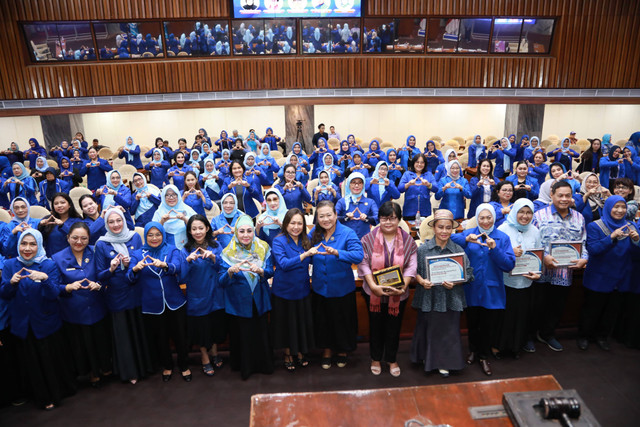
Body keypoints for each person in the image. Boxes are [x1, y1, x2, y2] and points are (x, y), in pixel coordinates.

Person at [0, 229, 76, 410]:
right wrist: (11, 283)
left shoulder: (48, 265)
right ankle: (42, 398)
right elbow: (4, 294)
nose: (27, 248)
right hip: (22, 324)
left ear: (39, 245)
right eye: (24, 244)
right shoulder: (10, 264)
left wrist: (46, 280)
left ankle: (57, 394)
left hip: (46, 321)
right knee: (32, 364)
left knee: (50, 361)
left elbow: (54, 294)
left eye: (32, 244)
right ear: (18, 245)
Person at [451, 204, 516, 376]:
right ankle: (473, 350)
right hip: (471, 288)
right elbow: (449, 239)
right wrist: (466, 239)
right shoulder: (469, 232)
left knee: (488, 325)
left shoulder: (502, 237)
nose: (485, 221)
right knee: (472, 323)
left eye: (489, 217)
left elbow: (509, 264)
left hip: (492, 290)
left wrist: (495, 249)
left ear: (494, 218)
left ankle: (484, 356)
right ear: (477, 218)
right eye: (482, 217)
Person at [358, 202, 417, 377]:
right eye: (384, 218)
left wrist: (404, 286)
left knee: (394, 327)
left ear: (399, 219)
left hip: (399, 293)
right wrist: (374, 286)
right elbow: (363, 264)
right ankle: (375, 358)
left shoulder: (408, 240)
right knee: (375, 326)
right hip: (373, 292)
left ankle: (391, 359)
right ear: (379, 219)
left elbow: (412, 267)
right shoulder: (367, 239)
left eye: (392, 218)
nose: (388, 222)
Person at [411, 209, 473, 378]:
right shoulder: (423, 249)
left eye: (448, 228)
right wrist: (422, 281)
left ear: (452, 229)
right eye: (440, 227)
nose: (444, 231)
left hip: (451, 297)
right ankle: (427, 359)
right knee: (429, 329)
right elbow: (412, 271)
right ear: (434, 228)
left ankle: (445, 363)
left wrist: (456, 282)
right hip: (429, 297)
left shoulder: (458, 249)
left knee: (448, 331)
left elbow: (468, 273)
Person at [128, 222, 191, 382]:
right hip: (152, 304)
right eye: (150, 235)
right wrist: (135, 269)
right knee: (161, 338)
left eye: (158, 234)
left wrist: (165, 265)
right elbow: (129, 277)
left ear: (163, 235)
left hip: (175, 301)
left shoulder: (171, 249)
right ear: (146, 236)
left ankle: (184, 365)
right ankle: (168, 366)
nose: (154, 238)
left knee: (180, 336)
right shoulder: (137, 253)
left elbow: (177, 267)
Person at [95, 208, 151, 384]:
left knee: (139, 329)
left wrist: (131, 264)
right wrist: (111, 268)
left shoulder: (134, 237)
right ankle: (130, 372)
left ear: (124, 220)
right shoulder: (101, 244)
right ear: (106, 224)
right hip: (116, 294)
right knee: (124, 334)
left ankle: (146, 367)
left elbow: (143, 261)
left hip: (136, 290)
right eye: (111, 222)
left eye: (118, 220)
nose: (116, 225)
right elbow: (99, 275)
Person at [52, 222, 111, 388]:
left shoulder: (96, 251)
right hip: (74, 310)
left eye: (84, 238)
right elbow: (53, 287)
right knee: (83, 344)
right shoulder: (57, 258)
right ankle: (91, 372)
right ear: (68, 238)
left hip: (97, 306)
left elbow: (105, 276)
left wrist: (99, 284)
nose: (79, 241)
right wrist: (68, 287)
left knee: (101, 340)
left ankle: (105, 367)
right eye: (75, 238)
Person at [578, 196, 640, 351]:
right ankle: (584, 336)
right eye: (616, 207)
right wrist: (611, 237)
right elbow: (593, 250)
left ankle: (602, 336)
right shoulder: (595, 226)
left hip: (620, 277)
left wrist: (636, 241)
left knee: (611, 310)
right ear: (608, 207)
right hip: (599, 276)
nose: (620, 210)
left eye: (623, 207)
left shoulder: (631, 225)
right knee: (592, 309)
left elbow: (636, 256)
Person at [532, 180, 588, 352]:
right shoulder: (539, 215)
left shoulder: (579, 217)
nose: (564, 199)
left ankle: (547, 334)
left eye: (568, 196)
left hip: (564, 273)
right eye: (560, 195)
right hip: (541, 272)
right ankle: (528, 336)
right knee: (536, 306)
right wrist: (544, 257)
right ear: (552, 195)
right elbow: (532, 242)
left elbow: (584, 243)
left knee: (556, 306)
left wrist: (584, 259)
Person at [218, 215, 274, 380]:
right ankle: (245, 368)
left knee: (260, 334)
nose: (245, 235)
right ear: (235, 232)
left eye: (249, 230)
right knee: (243, 336)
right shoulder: (228, 252)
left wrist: (261, 271)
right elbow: (221, 282)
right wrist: (229, 272)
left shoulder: (263, 247)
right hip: (238, 302)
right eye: (241, 231)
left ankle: (264, 366)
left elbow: (271, 271)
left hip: (259, 299)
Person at [309, 201, 364, 369]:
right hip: (320, 287)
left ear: (335, 215)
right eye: (321, 216)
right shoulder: (314, 233)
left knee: (342, 321)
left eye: (329, 215)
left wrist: (338, 252)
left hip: (341, 287)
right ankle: (326, 350)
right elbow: (304, 252)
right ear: (317, 218)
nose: (326, 219)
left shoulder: (347, 232)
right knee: (323, 320)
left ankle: (342, 350)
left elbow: (358, 255)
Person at [271, 209, 316, 372]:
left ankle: (300, 351)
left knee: (300, 323)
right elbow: (283, 264)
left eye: (299, 223)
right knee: (286, 325)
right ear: (286, 224)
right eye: (292, 223)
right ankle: (288, 353)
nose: (296, 227)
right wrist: (304, 255)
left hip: (302, 289)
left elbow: (314, 258)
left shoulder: (306, 239)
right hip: (284, 291)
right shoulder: (279, 241)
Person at [496, 199, 542, 357]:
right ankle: (502, 347)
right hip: (506, 282)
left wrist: (539, 272)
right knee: (505, 317)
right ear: (514, 211)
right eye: (521, 212)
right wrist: (509, 252)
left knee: (521, 317)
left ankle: (516, 347)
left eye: (529, 212)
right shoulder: (503, 229)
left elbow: (539, 255)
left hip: (527, 282)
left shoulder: (535, 230)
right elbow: (495, 256)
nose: (525, 216)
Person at [180, 215, 225, 376]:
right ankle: (205, 357)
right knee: (201, 329)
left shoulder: (216, 245)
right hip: (197, 296)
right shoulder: (185, 250)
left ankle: (214, 353)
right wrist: (187, 261)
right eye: (194, 229)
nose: (198, 232)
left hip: (216, 294)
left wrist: (214, 257)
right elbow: (181, 278)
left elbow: (224, 268)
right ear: (189, 231)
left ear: (207, 228)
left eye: (201, 228)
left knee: (213, 326)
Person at [336, 172, 378, 240]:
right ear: (349, 185)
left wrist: (367, 218)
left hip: (364, 240)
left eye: (359, 183)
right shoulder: (342, 202)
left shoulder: (370, 202)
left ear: (363, 185)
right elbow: (333, 218)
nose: (356, 186)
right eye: (353, 182)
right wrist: (345, 218)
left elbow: (377, 218)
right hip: (345, 239)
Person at [152, 185, 196, 250]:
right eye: (167, 195)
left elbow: (197, 226)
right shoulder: (159, 212)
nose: (171, 198)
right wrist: (162, 222)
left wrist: (185, 219)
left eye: (174, 194)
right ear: (163, 197)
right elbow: (152, 232)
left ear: (178, 195)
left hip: (187, 247)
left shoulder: (187, 209)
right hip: (165, 249)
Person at [398, 154, 438, 223]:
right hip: (409, 210)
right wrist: (408, 184)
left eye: (422, 162)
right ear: (413, 163)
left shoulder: (429, 174)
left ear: (425, 164)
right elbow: (400, 189)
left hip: (425, 210)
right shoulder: (407, 174)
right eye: (417, 162)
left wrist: (428, 184)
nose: (419, 164)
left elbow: (436, 189)